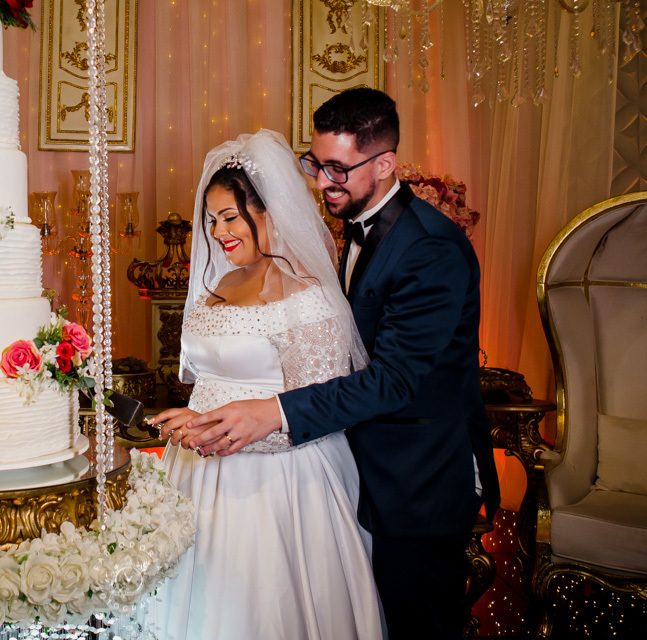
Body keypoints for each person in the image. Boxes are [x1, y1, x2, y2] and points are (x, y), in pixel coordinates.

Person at [183, 88, 500, 640]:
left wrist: (273, 412)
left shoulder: (430, 248)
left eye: (337, 169)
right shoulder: (348, 231)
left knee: (419, 623)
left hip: (419, 478)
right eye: (315, 164)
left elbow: (394, 378)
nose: (321, 182)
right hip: (360, 467)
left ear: (384, 163)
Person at [147, 129, 385, 640]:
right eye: (211, 220)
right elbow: (209, 383)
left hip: (281, 484)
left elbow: (319, 410)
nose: (218, 232)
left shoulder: (310, 299)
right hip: (195, 472)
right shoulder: (220, 285)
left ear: (272, 211)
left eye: (230, 217)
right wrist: (194, 420)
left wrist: (218, 428)